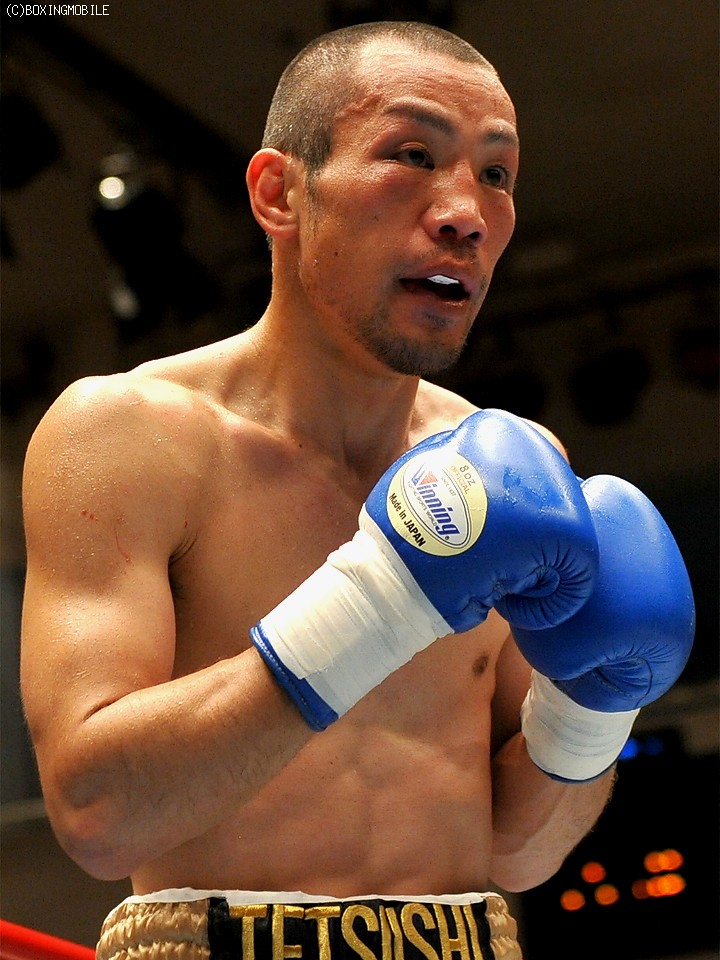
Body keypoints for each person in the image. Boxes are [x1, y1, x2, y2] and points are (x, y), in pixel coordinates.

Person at [20, 21, 694, 960]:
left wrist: (593, 711)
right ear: (280, 193)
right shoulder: (133, 437)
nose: (464, 211)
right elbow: (98, 815)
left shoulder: (514, 468)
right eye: (412, 156)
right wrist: (382, 599)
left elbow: (520, 848)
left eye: (496, 173)